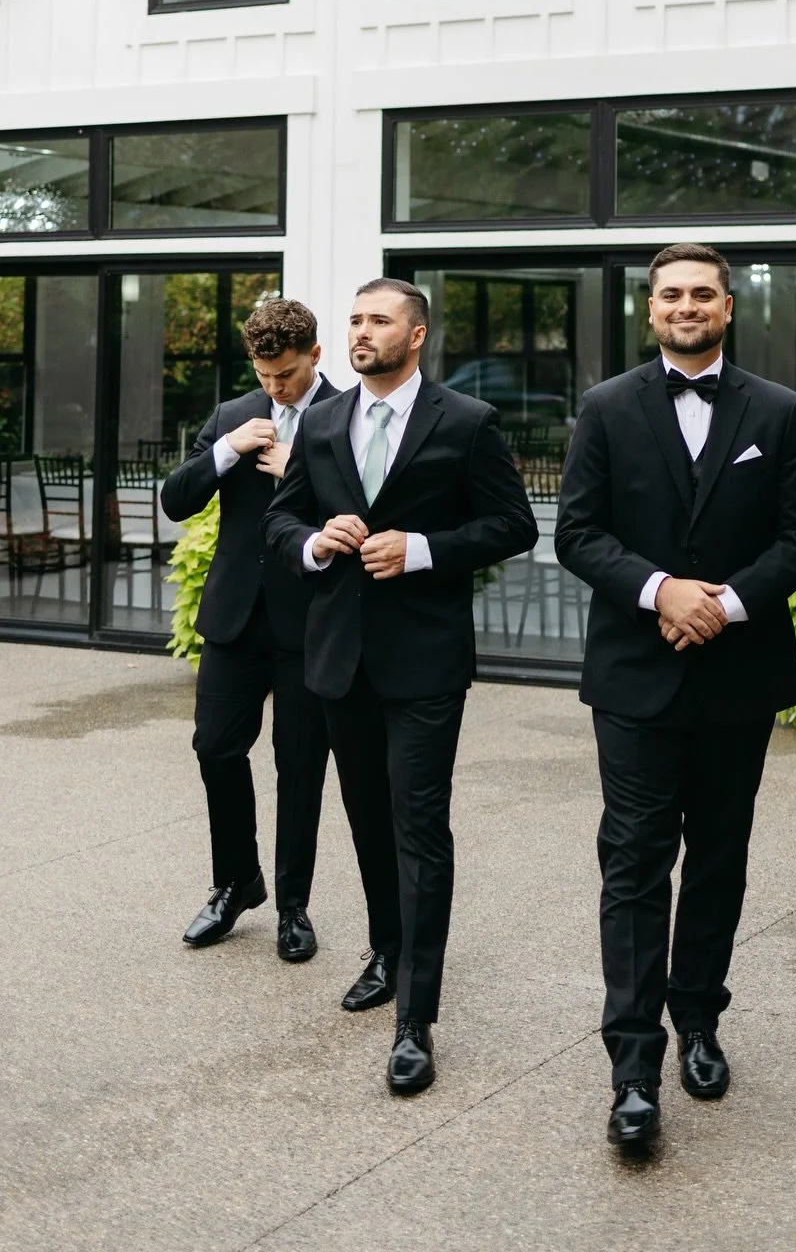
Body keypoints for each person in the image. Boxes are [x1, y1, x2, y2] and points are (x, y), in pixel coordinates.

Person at [555, 243, 796, 1149]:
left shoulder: (780, 411)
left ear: (727, 306)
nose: (686, 306)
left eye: (701, 294)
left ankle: (699, 1020)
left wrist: (727, 605)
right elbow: (580, 534)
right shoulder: (604, 408)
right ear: (650, 309)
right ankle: (632, 1066)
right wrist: (661, 591)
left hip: (738, 675)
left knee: (718, 855)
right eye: (671, 294)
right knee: (634, 864)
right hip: (635, 674)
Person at [264, 279, 537, 1097]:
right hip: (338, 657)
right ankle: (386, 950)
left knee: (420, 824)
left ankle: (416, 1018)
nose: (360, 331)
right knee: (368, 819)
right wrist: (316, 541)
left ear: (415, 335)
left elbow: (513, 526)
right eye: (354, 319)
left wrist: (421, 549)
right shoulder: (319, 420)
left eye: (378, 320)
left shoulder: (466, 422)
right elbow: (281, 521)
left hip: (424, 662)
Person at [162, 298, 338, 961]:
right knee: (214, 748)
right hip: (235, 619)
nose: (275, 388)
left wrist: (303, 468)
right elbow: (177, 501)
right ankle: (237, 882)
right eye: (265, 376)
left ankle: (294, 905)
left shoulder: (348, 416)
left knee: (300, 770)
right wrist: (227, 452)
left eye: (287, 375)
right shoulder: (233, 415)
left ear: (314, 357)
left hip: (309, 623)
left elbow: (369, 510)